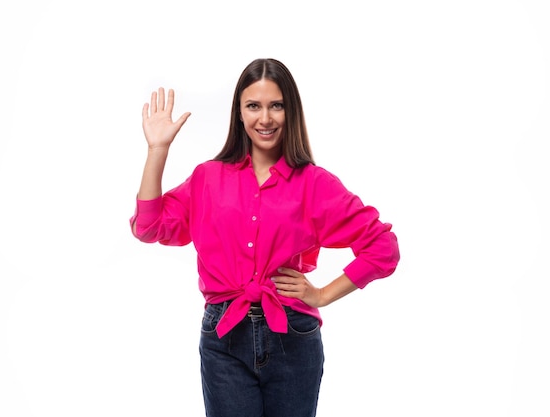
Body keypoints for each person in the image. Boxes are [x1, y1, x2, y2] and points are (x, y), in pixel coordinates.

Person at [130, 58, 400, 417]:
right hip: (223, 337)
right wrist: (157, 151)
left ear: (291, 111)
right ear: (239, 113)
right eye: (253, 106)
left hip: (293, 335)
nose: (265, 118)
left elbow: (383, 248)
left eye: (276, 105)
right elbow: (149, 227)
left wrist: (321, 295)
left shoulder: (315, 185)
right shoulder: (208, 178)